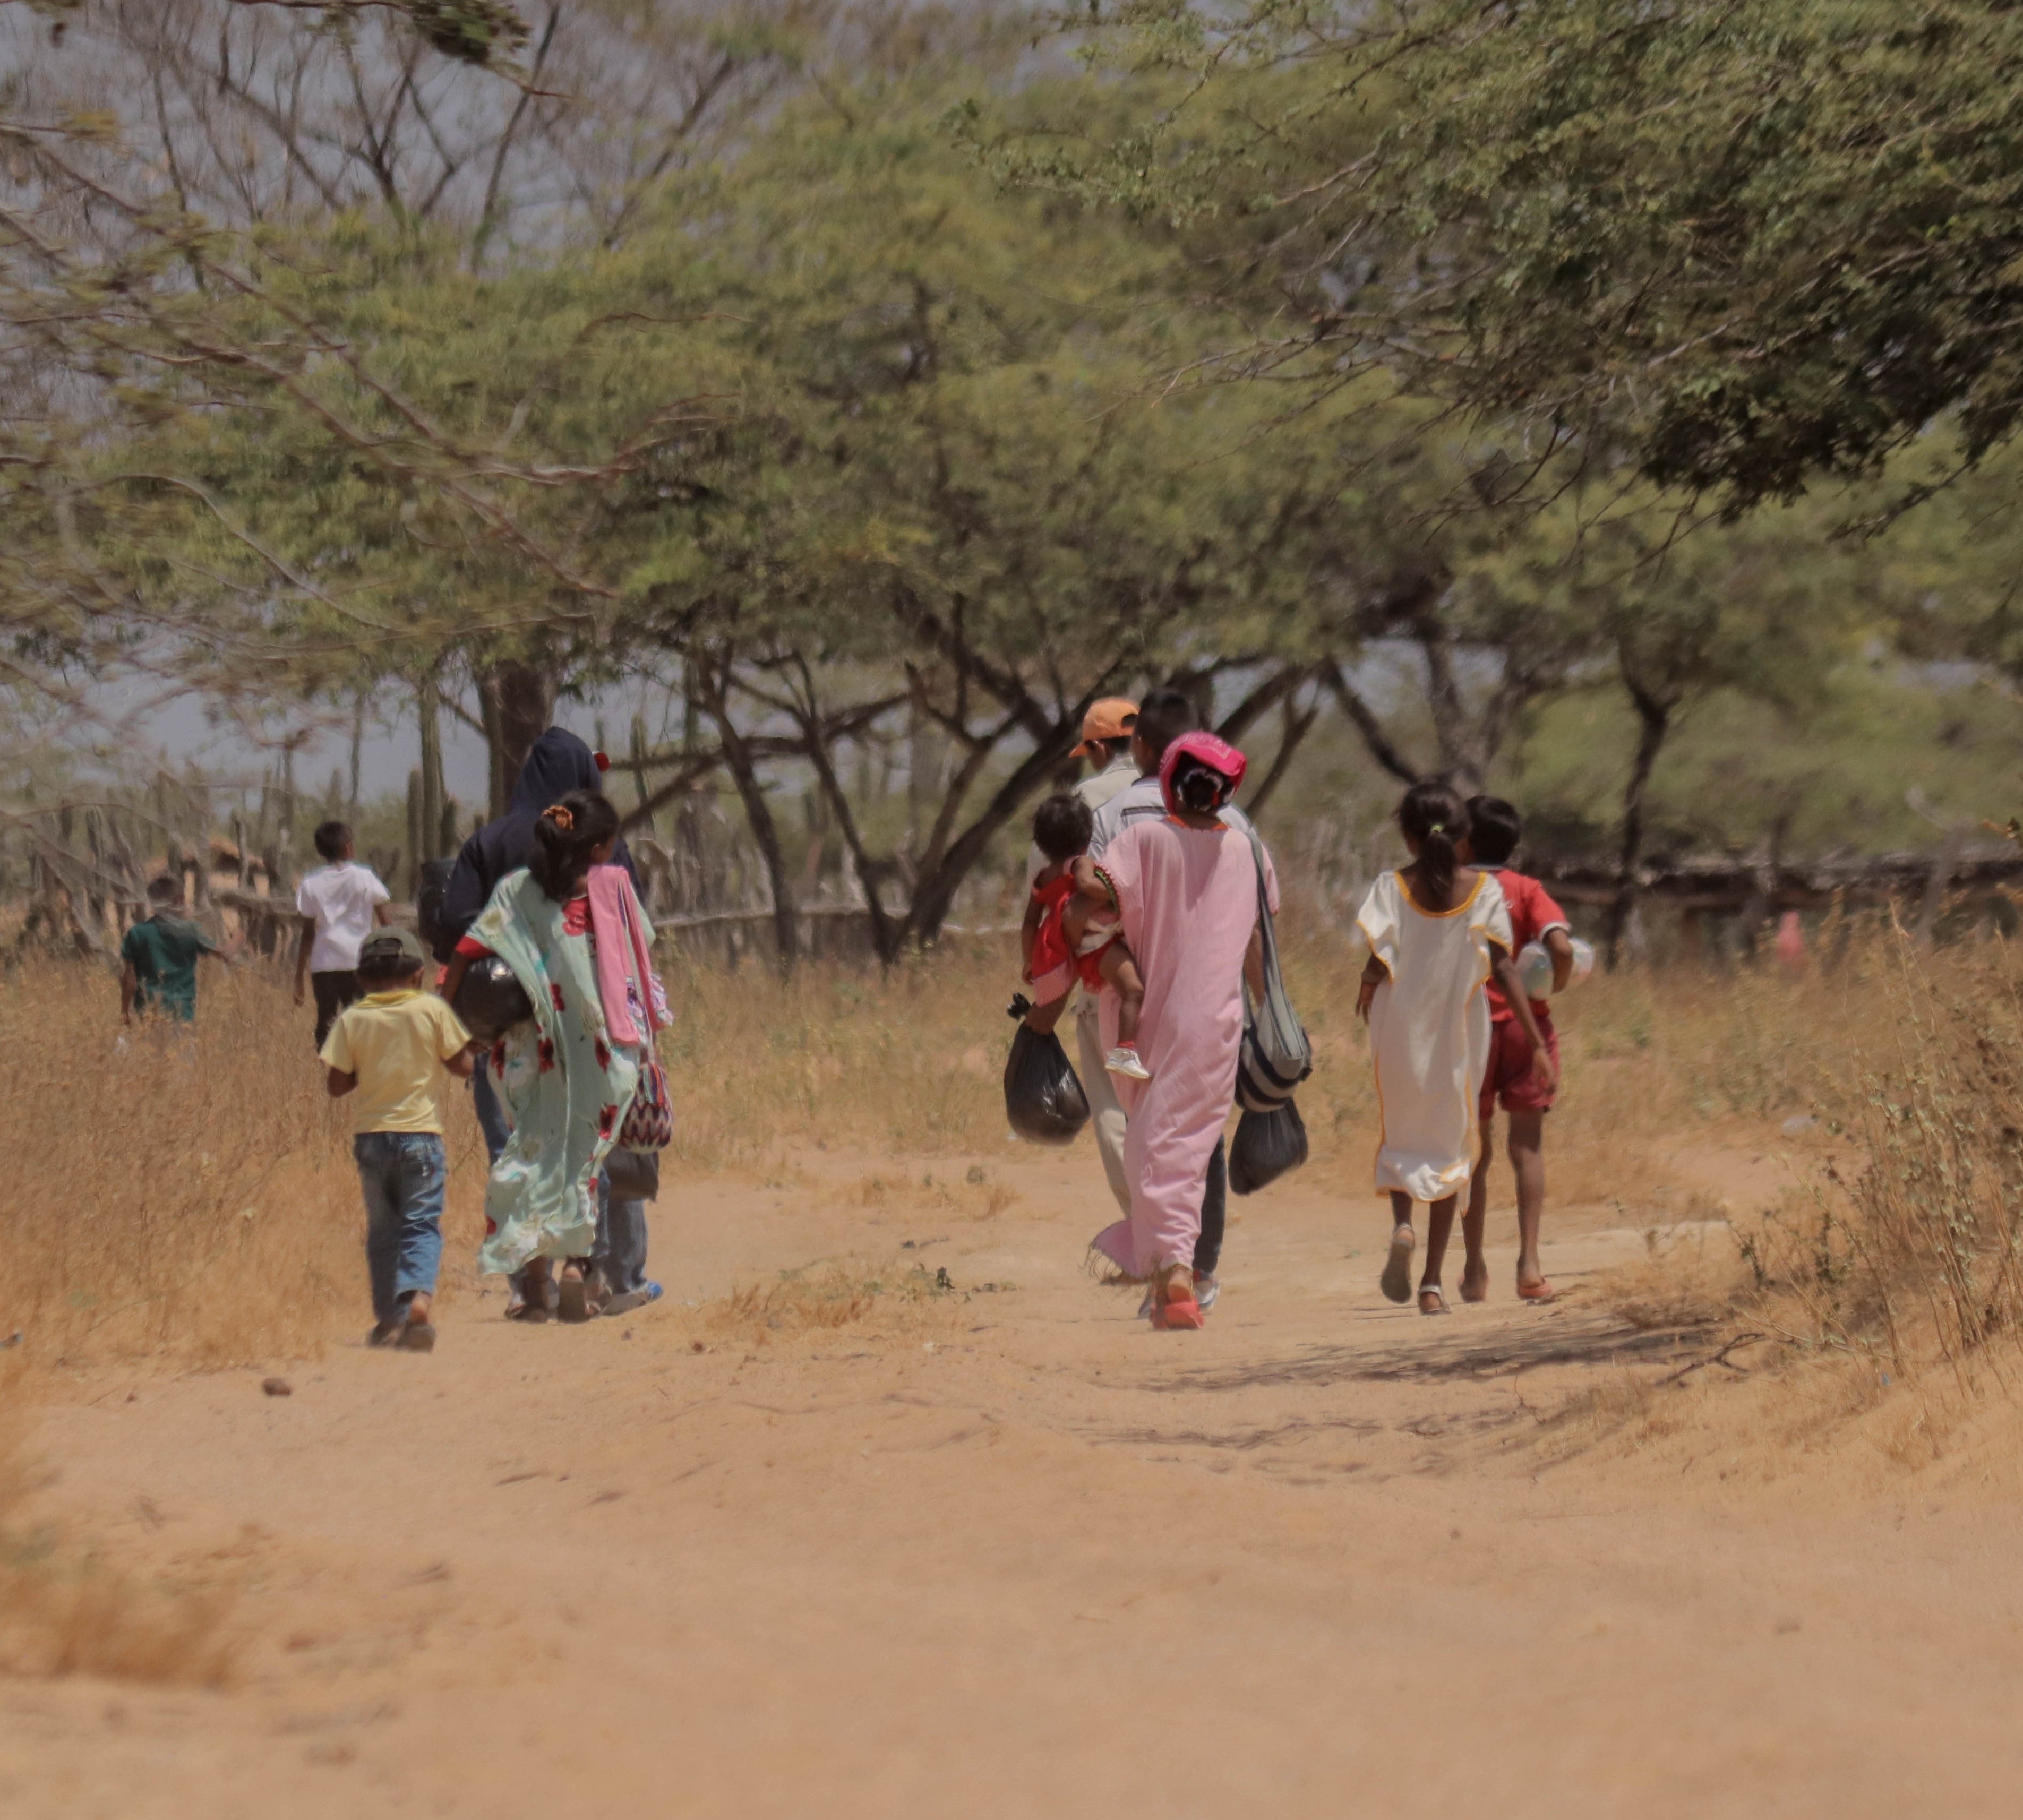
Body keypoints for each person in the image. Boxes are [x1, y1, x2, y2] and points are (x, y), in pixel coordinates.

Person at [436, 727, 655, 1314]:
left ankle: (528, 1288)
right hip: (592, 1035)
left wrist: (458, 1017)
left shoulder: (495, 855)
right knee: (587, 1152)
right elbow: (634, 943)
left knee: (520, 1152)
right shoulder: (605, 862)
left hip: (513, 1036)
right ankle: (593, 1270)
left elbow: (455, 927)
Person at [1082, 732, 1271, 1329]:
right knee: (1187, 1148)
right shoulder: (1245, 849)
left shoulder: (1140, 839)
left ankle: (1177, 1273)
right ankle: (1173, 1275)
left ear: (1170, 780)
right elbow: (1260, 939)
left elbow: (1098, 898)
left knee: (1150, 1145)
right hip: (1216, 1023)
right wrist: (1268, 1010)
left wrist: (1075, 869)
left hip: (1146, 1020)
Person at [1355, 783, 1555, 1316]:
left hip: (1400, 1031)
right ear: (1463, 836)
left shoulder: (1390, 887)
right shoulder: (1484, 891)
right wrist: (1537, 1043)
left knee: (1402, 1132)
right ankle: (1432, 1283)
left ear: (1407, 833)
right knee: (1451, 1147)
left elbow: (1381, 956)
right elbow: (1506, 966)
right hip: (1459, 1035)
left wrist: (1368, 984)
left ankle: (1402, 1225)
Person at [321, 926, 476, 1352]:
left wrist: (364, 1069)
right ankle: (417, 1299)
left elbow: (336, 1085)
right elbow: (462, 1066)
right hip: (422, 1138)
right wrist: (476, 1042)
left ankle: (389, 1321)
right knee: (421, 1224)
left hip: (372, 1140)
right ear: (419, 975)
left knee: (383, 1230)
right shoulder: (431, 1009)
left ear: (361, 979)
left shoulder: (353, 1018)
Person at [1461, 795, 1574, 1304]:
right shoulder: (1527, 890)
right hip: (1526, 1033)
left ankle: (1473, 1269)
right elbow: (1563, 947)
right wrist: (1556, 985)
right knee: (1526, 1150)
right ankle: (1530, 1266)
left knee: (1475, 1154)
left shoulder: (1458, 889)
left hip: (1470, 1031)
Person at [1018, 793, 1149, 1078]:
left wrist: (1029, 962)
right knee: (1134, 990)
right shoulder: (1080, 863)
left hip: (1067, 950)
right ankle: (1124, 1050)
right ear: (1086, 836)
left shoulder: (1041, 879)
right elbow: (1086, 884)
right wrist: (1120, 891)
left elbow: (1029, 924)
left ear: (1040, 842)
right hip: (1099, 945)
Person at [294, 819, 392, 1049]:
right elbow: (385, 920)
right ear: (348, 848)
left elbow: (308, 934)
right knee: (362, 1021)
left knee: (326, 1020)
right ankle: (360, 1071)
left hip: (324, 964)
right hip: (360, 960)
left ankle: (326, 1071)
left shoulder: (310, 883)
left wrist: (299, 976)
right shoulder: (364, 877)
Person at [119, 875, 229, 1026]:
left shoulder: (137, 933)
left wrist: (125, 1012)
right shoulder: (191, 931)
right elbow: (224, 954)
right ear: (181, 899)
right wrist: (238, 937)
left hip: (147, 1015)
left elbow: (129, 981)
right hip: (182, 1015)